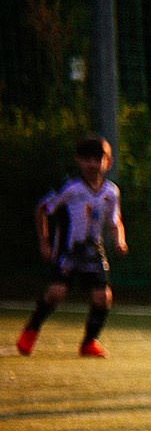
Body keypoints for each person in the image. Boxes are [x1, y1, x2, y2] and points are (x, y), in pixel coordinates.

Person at [19, 137, 126, 359]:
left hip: (93, 250)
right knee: (56, 293)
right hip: (68, 249)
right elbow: (42, 209)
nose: (93, 164)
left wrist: (119, 240)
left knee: (103, 297)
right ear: (78, 160)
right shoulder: (70, 187)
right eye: (87, 159)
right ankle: (31, 330)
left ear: (109, 161)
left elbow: (115, 221)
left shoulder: (111, 192)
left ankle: (89, 342)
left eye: (98, 159)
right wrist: (44, 241)